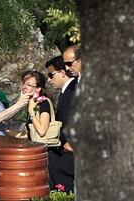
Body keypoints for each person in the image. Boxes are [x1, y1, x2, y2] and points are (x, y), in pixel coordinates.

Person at [45, 56, 76, 193]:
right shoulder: (67, 91)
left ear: (62, 73)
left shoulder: (74, 89)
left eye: (51, 75)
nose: (49, 80)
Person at [22, 70, 53, 138]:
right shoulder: (32, 103)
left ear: (38, 88)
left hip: (44, 147)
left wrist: (31, 111)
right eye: (24, 83)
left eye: (29, 85)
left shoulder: (44, 103)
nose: (24, 87)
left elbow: (42, 131)